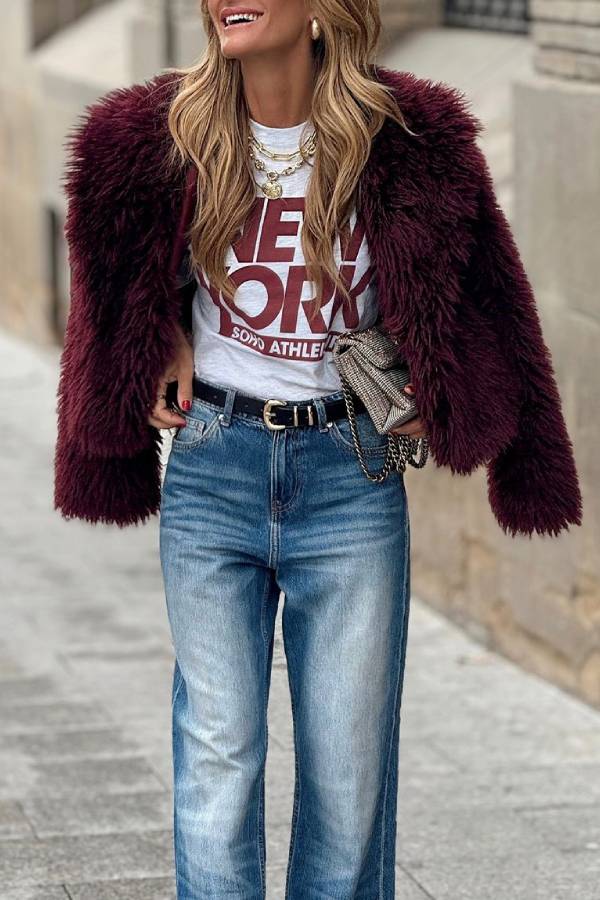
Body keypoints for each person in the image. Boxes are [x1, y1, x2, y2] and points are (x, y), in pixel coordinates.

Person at [54, 1, 582, 897]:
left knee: (348, 770)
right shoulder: (157, 136)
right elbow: (114, 282)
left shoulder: (409, 139)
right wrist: (159, 335)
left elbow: (487, 293)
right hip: (215, 466)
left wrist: (439, 380)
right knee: (219, 757)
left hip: (349, 476)